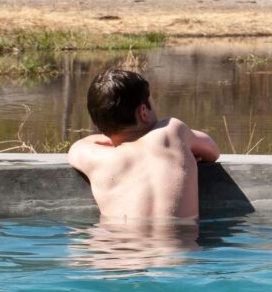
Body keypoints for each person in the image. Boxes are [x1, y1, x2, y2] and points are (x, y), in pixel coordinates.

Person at [68, 69, 220, 222]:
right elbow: (213, 151)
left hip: (115, 244)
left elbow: (78, 146)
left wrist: (112, 137)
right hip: (179, 243)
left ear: (97, 124)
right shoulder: (172, 132)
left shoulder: (93, 157)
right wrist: (186, 150)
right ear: (143, 112)